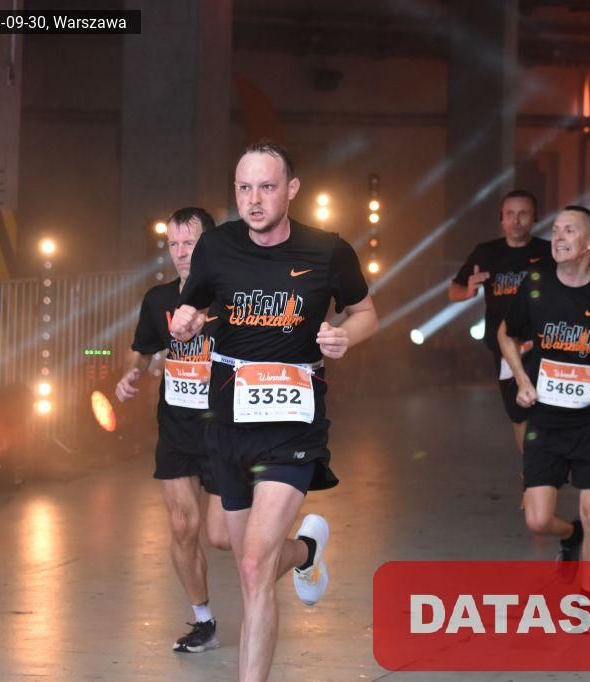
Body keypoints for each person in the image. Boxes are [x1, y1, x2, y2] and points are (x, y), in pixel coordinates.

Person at [170, 141, 378, 681]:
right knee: (246, 563)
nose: (254, 199)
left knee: (253, 566)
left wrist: (345, 335)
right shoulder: (217, 246)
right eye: (244, 188)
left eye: (266, 187)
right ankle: (306, 551)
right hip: (229, 424)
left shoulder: (327, 251)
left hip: (292, 426)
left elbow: (366, 312)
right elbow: (194, 305)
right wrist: (187, 322)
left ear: (292, 189)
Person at [496, 205, 590, 580]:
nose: (558, 238)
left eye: (570, 231)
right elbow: (505, 334)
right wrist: (522, 380)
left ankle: (586, 597)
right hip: (545, 420)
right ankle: (570, 534)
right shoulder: (535, 284)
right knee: (538, 520)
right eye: (556, 230)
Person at [115, 207, 230, 653]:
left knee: (223, 537)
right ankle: (204, 621)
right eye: (174, 244)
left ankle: (302, 551)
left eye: (190, 243)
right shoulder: (158, 300)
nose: (181, 253)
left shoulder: (231, 297)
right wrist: (132, 373)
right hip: (177, 428)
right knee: (183, 525)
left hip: (225, 430)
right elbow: (142, 350)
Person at [449, 190, 552, 454]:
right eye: (510, 214)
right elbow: (454, 290)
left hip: (544, 343)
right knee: (519, 411)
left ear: (535, 217)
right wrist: (468, 291)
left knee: (548, 408)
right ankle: (532, 469)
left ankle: (545, 466)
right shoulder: (486, 252)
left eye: (523, 214)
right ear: (501, 218)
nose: (516, 220)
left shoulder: (547, 252)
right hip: (505, 345)